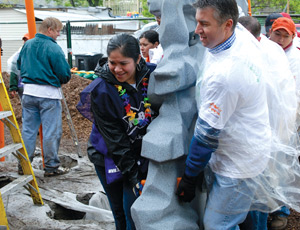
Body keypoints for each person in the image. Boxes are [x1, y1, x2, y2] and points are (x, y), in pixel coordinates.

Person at [175, 0, 282, 228]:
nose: (197, 30)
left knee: (217, 224)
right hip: (251, 143)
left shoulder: (224, 75)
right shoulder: (239, 36)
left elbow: (205, 137)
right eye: (197, 22)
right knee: (247, 216)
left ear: (227, 24)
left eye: (205, 24)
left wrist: (189, 177)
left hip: (238, 165)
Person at [77, 33, 156, 230]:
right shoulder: (101, 90)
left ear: (138, 59)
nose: (117, 69)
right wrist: (135, 178)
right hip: (109, 155)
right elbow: (115, 140)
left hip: (142, 153)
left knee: (135, 211)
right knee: (121, 211)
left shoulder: (152, 76)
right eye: (112, 63)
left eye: (123, 63)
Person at [239, 15, 297, 230]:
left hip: (267, 130)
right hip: (264, 131)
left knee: (263, 182)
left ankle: (273, 215)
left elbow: (285, 98)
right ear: (267, 33)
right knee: (263, 182)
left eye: (286, 35)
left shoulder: (272, 54)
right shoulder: (269, 50)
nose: (280, 39)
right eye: (277, 33)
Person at [17, 17, 71, 177]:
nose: (59, 34)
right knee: (50, 131)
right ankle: (51, 167)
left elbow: (19, 64)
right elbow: (64, 73)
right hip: (48, 94)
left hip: (28, 93)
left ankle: (23, 165)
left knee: (28, 130)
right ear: (50, 30)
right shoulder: (53, 48)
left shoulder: (27, 45)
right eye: (58, 31)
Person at [7, 33, 29, 100]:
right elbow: (14, 69)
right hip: (23, 85)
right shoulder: (19, 53)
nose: (25, 42)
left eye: (27, 40)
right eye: (25, 40)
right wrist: (13, 87)